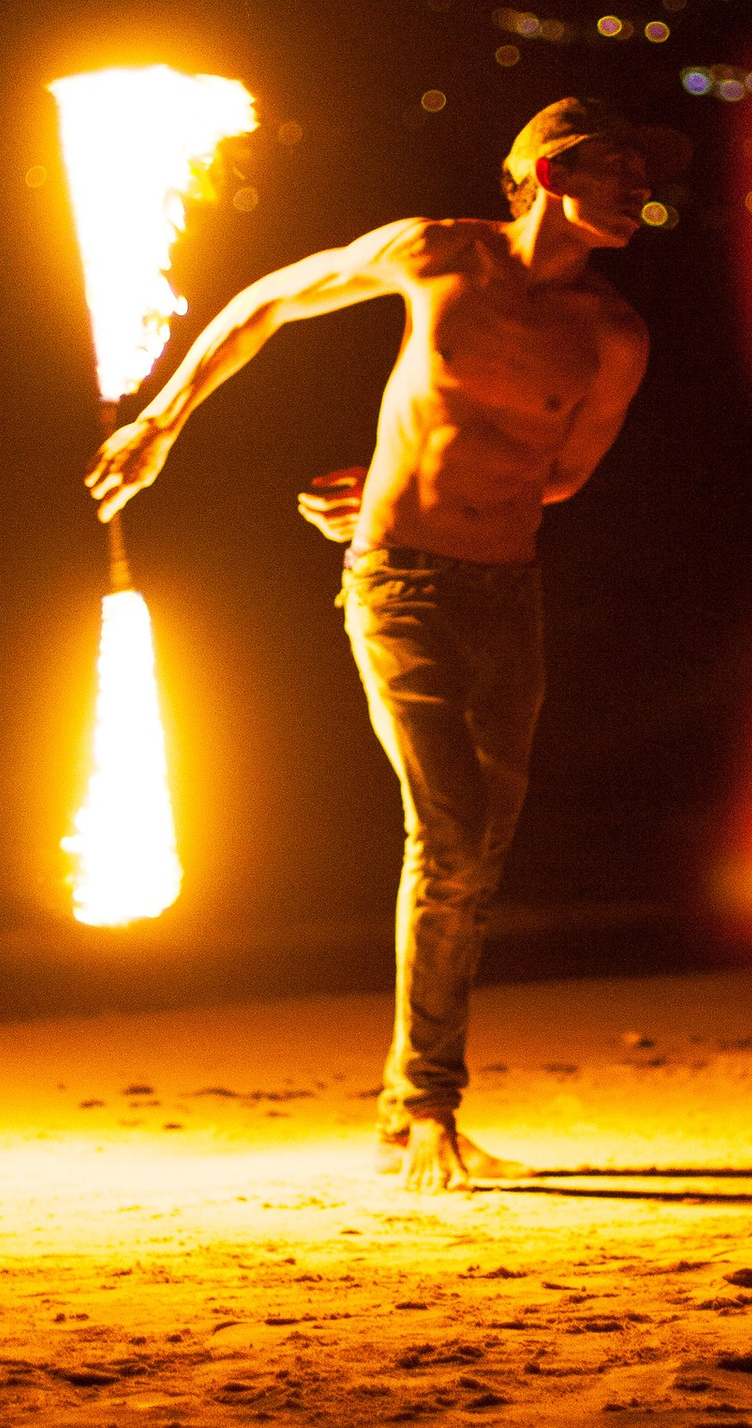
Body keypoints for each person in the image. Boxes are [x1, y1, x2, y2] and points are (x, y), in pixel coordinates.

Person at [87, 100, 684, 1192]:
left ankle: (410, 1109)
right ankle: (424, 1111)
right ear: (550, 172)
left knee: (477, 859)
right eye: (621, 167)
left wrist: (401, 480)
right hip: (397, 584)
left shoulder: (613, 335)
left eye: (643, 170)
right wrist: (161, 423)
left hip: (509, 596)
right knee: (449, 838)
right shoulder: (437, 253)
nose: (640, 187)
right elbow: (270, 301)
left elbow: (558, 477)